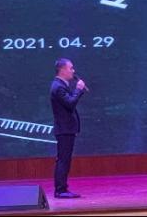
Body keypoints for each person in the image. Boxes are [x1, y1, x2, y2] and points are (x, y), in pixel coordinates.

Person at [50, 58, 87, 199]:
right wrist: (78, 90)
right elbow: (70, 103)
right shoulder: (58, 87)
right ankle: (60, 190)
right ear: (62, 70)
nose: (73, 71)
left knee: (64, 159)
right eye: (71, 68)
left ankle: (62, 188)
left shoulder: (61, 86)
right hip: (64, 129)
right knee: (63, 160)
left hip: (66, 129)